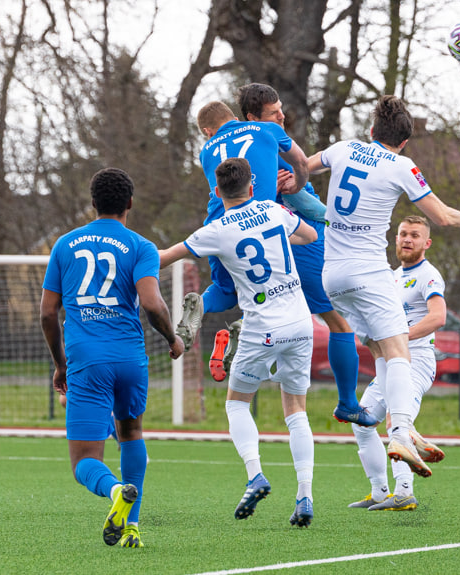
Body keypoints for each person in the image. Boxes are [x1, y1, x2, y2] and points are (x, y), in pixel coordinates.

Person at [290, 95, 460, 478]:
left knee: (380, 351)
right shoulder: (402, 165)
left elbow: (303, 167)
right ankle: (401, 431)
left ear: (371, 131)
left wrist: (285, 180)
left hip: (332, 276)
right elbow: (440, 216)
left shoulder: (344, 148)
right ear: (404, 142)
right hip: (369, 273)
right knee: (399, 348)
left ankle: (405, 430)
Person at [159, 157, 319, 527]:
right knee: (296, 411)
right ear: (252, 186)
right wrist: (280, 231)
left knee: (236, 405)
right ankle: (305, 495)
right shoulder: (272, 209)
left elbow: (167, 256)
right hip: (300, 323)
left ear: (217, 192)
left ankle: (255, 475)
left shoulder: (214, 230)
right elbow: (310, 235)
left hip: (261, 328)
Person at [40, 168, 184, 549]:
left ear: (93, 203)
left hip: (87, 359)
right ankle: (132, 527)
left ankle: (116, 491)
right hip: (130, 357)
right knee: (132, 433)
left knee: (84, 461)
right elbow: (152, 303)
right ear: (130, 203)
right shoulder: (141, 246)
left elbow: (46, 313)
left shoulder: (65, 245)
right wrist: (172, 338)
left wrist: (60, 365)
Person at [238, 82, 376, 427]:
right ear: (254, 117)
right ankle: (347, 402)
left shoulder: (243, 150)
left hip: (268, 249)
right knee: (341, 324)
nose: (282, 115)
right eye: (273, 113)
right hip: (305, 246)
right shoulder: (274, 148)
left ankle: (244, 339)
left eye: (281, 108)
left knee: (285, 318)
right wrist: (335, 217)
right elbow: (307, 208)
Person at [177, 100, 314, 381]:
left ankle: (202, 306)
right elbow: (300, 161)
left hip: (218, 227)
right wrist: (296, 186)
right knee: (278, 287)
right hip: (261, 222)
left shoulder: (206, 151)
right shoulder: (267, 129)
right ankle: (243, 326)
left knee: (226, 290)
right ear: (234, 116)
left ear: (207, 130)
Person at [349, 215, 448, 511]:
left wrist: (399, 339)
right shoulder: (392, 276)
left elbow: (438, 317)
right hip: (393, 360)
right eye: (403, 234)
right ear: (395, 239)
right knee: (363, 421)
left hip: (415, 360)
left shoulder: (429, 275)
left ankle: (404, 492)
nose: (407, 239)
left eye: (414, 235)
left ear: (426, 243)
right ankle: (380, 491)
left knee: (395, 421)